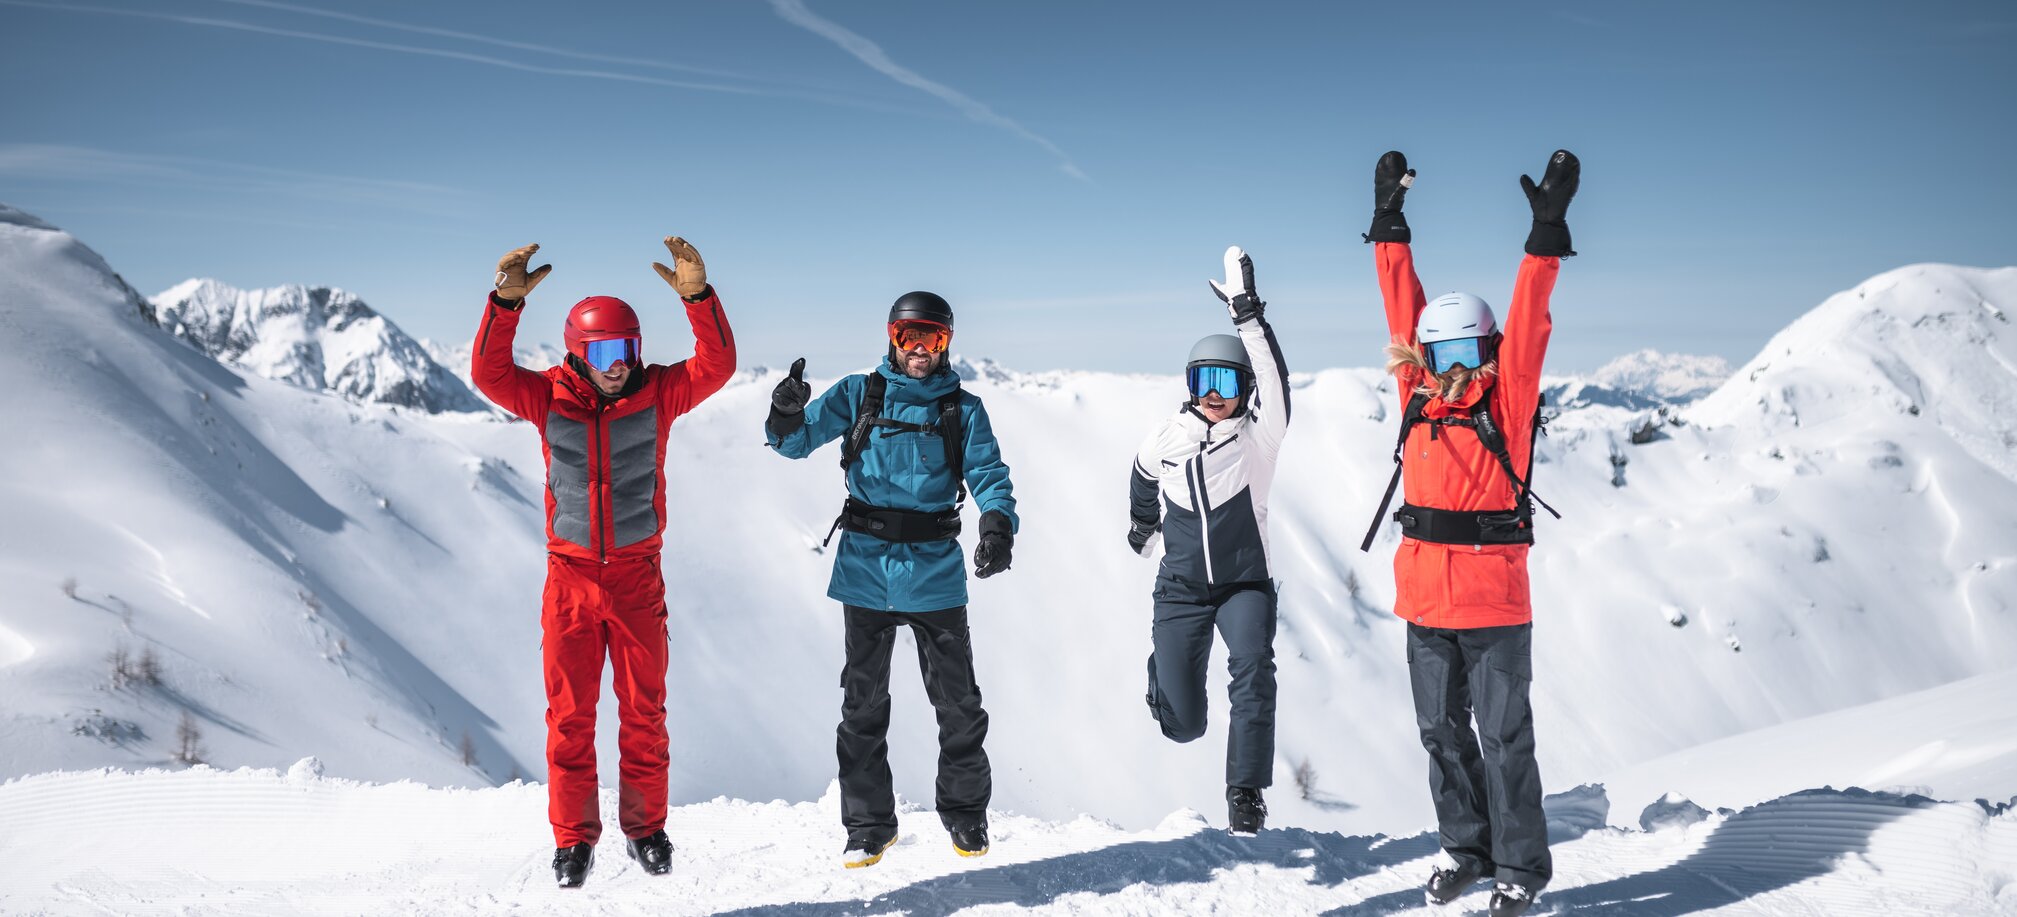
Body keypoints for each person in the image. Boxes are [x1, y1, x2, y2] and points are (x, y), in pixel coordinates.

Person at [471, 237, 737, 888]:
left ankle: (646, 830)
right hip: (569, 582)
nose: (617, 366)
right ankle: (573, 841)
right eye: (603, 353)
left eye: (626, 350)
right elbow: (488, 374)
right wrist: (503, 305)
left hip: (636, 579)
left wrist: (697, 297)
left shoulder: (659, 394)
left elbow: (718, 363)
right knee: (570, 719)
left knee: (644, 712)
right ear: (576, 351)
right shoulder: (548, 398)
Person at [1359, 149, 1579, 917]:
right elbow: (1399, 305)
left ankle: (1520, 865)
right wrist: (1390, 226)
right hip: (1424, 602)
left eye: (1464, 353)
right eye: (1435, 354)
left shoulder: (1505, 403)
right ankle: (1465, 847)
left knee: (1504, 740)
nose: (1447, 368)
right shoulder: (1416, 394)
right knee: (1439, 735)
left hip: (1491, 605)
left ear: (1485, 350)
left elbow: (1531, 325)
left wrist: (1543, 237)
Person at [763, 291, 1018, 868]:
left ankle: (966, 815)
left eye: (933, 338)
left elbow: (988, 472)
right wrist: (784, 411)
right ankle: (869, 827)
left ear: (947, 342)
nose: (920, 349)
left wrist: (997, 524)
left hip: (935, 569)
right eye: (909, 337)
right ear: (892, 339)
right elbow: (794, 442)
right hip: (866, 568)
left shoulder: (963, 408)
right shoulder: (859, 394)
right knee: (863, 705)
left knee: (959, 703)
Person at [1125, 246, 1291, 835]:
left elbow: (1276, 377)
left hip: (1245, 585)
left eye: (1225, 381)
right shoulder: (1167, 436)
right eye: (1203, 380)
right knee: (1183, 725)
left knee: (1253, 669)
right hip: (1181, 590)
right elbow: (1142, 478)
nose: (1213, 394)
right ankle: (1163, 681)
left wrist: (1247, 315)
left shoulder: (1258, 440)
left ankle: (1245, 795)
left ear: (1243, 388)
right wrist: (1142, 527)